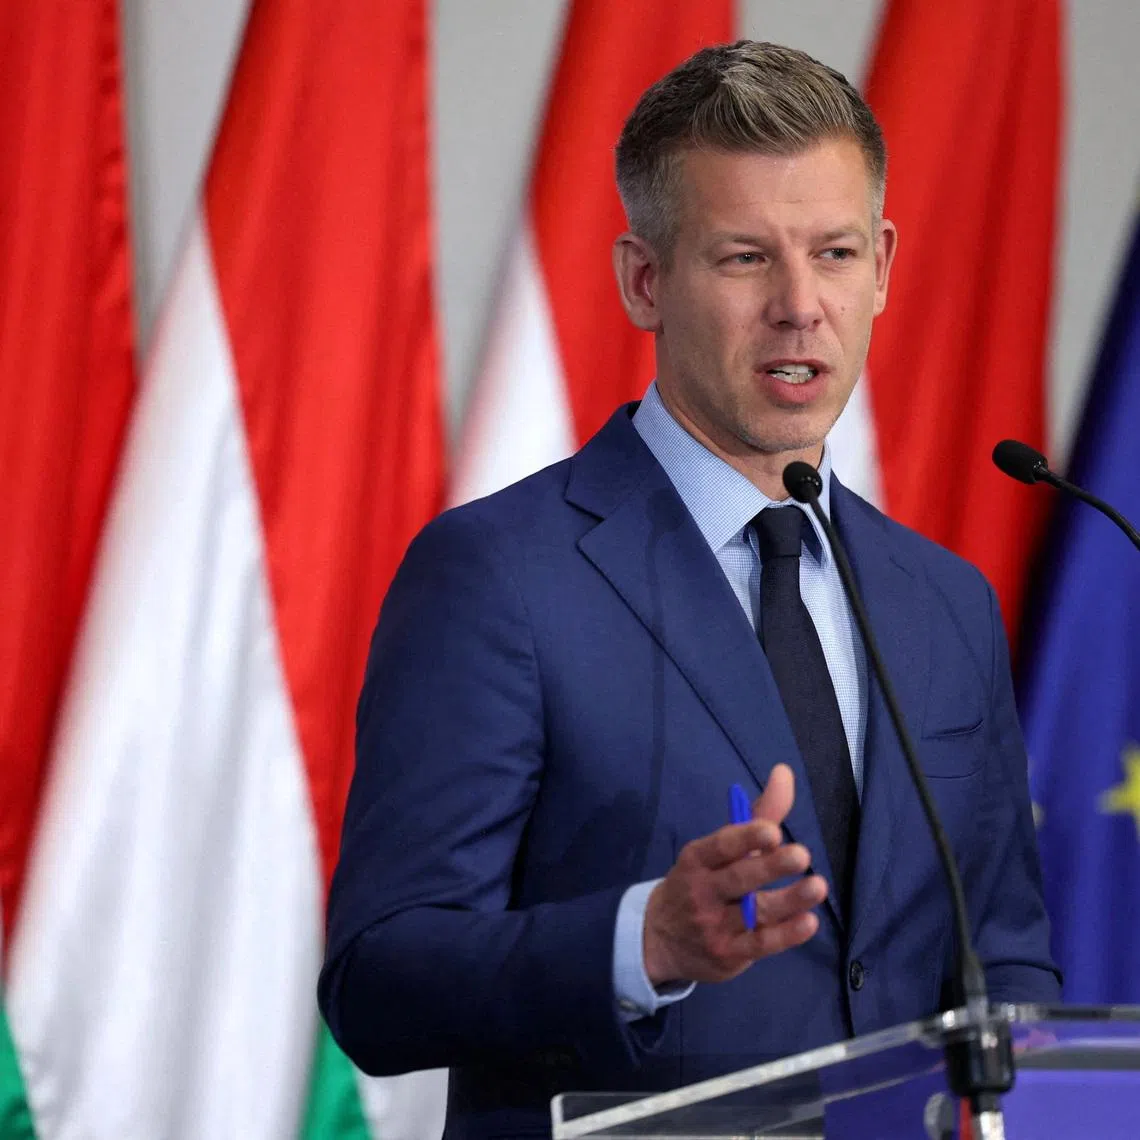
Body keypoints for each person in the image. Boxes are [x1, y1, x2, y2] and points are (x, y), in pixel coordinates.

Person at [319, 40, 1060, 1139]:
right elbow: (379, 981)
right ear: (645, 280)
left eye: (837, 252)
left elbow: (1003, 961)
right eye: (745, 258)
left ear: (886, 266)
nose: (802, 306)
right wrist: (645, 941)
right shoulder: (500, 575)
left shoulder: (942, 600)